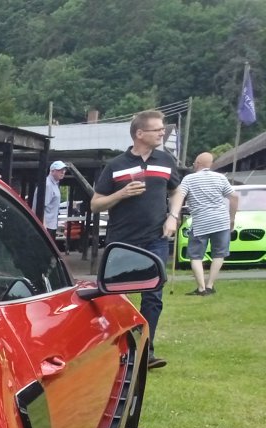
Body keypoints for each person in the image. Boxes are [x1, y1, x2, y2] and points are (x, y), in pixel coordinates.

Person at [91, 110, 180, 369]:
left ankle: (146, 350)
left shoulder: (166, 161)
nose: (162, 133)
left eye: (162, 129)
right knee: (119, 296)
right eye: (157, 129)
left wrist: (173, 216)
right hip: (122, 240)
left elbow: (177, 191)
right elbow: (96, 204)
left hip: (156, 239)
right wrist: (121, 193)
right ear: (140, 134)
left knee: (153, 295)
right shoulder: (116, 166)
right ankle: (120, 349)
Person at [175, 152, 238, 296]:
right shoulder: (220, 177)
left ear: (197, 164)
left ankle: (201, 288)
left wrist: (176, 215)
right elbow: (234, 197)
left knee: (196, 255)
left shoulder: (189, 179)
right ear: (211, 164)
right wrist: (232, 218)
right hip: (221, 221)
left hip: (201, 222)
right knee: (219, 253)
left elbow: (180, 195)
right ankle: (210, 285)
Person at [42, 160, 67, 245]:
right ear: (52, 171)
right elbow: (42, 207)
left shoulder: (55, 184)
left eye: (64, 170)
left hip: (52, 224)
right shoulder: (48, 185)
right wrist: (43, 226)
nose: (63, 172)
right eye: (60, 170)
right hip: (47, 226)